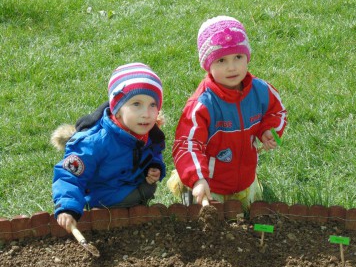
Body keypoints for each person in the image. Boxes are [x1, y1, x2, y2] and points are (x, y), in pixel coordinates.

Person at [168, 16, 287, 210]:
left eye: (238, 57)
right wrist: (198, 179)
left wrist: (269, 131)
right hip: (212, 181)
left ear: (247, 57)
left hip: (245, 175)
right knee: (210, 214)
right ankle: (188, 182)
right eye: (221, 60)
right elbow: (187, 144)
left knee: (248, 210)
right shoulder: (202, 104)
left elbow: (278, 112)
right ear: (208, 65)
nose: (232, 67)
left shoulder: (261, 91)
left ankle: (243, 187)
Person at [52, 63, 166, 233]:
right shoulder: (95, 141)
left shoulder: (148, 132)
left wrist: (154, 166)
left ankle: (134, 217)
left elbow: (153, 153)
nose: (146, 113)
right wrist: (67, 206)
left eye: (152, 105)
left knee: (147, 192)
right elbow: (69, 175)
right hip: (104, 200)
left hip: (128, 187)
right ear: (117, 110)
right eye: (136, 104)